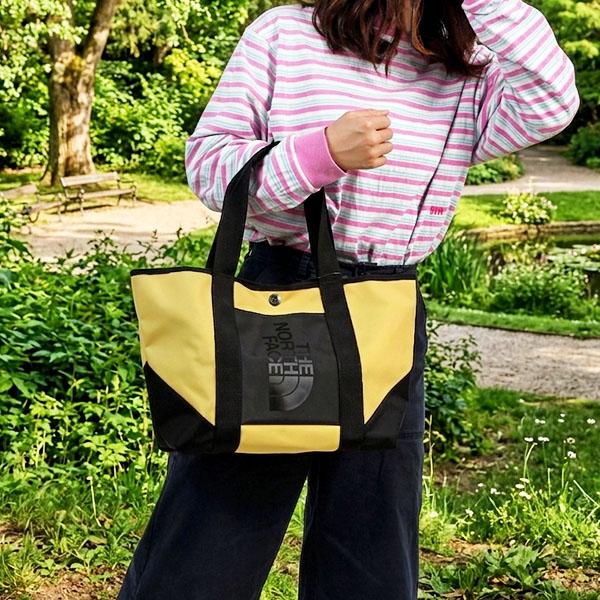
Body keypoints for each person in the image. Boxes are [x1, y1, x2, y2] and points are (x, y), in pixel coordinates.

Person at [118, 0, 579, 598]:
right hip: (278, 298)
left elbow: (551, 103)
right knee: (215, 530)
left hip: (385, 312)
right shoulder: (285, 34)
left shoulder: (465, 66)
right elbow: (208, 167)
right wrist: (320, 154)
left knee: (370, 546)